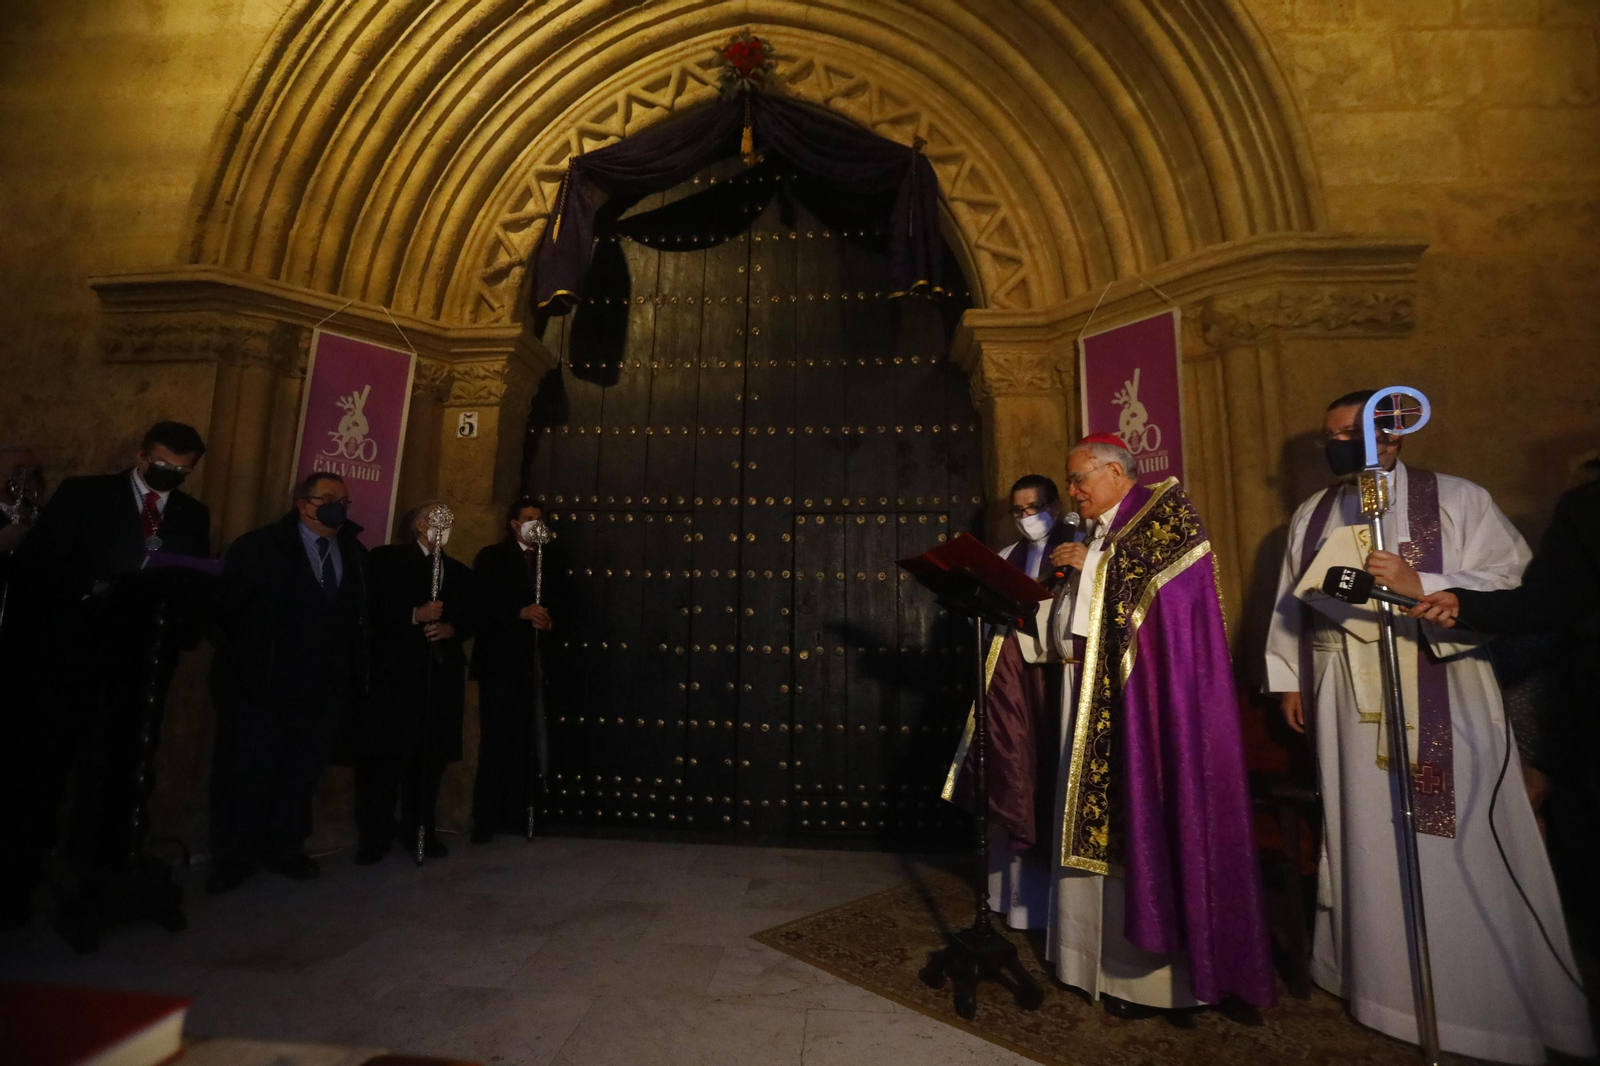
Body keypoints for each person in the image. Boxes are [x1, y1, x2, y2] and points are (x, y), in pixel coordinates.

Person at [1263, 390, 1593, 1062]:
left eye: (1347, 431)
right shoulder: (1314, 511)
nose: (1335, 443)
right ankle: (1374, 981)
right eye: (1328, 433)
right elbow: (1289, 602)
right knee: (1362, 830)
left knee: (1451, 835)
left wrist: (1426, 580)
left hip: (1433, 677)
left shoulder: (1460, 499)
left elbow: (1519, 586)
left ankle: (1475, 1004)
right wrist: (1288, 677)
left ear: (1393, 434)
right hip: (1342, 696)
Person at [951, 434, 1276, 1019]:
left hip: (1140, 705)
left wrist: (1095, 566)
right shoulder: (1091, 532)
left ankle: (1152, 983)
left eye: (1078, 480)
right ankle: (1089, 964)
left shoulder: (1166, 514)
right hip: (1084, 693)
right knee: (1085, 831)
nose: (1072, 493)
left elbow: (1171, 605)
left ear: (1116, 472)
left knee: (1142, 823)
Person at [0, 423, 211, 926]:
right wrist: (95, 586)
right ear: (141, 454)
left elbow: (192, 579)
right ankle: (16, 884)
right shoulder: (86, 494)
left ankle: (103, 869)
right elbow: (37, 568)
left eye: (183, 470)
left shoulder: (190, 512)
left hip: (142, 665)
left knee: (119, 773)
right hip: (70, 659)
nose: (171, 475)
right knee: (42, 774)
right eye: (163, 464)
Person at [207, 472, 369, 892]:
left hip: (324, 688)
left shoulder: (353, 551)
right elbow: (227, 612)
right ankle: (235, 856)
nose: (338, 506)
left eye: (344, 500)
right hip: (266, 683)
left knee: (301, 772)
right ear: (303, 503)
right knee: (248, 771)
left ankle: (286, 847)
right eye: (328, 498)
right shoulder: (260, 547)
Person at [352, 500, 474, 864]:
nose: (442, 526)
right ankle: (376, 835)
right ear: (419, 524)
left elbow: (470, 614)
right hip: (395, 678)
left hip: (438, 678)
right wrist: (413, 614)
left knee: (429, 760)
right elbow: (370, 607)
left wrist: (452, 627)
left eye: (448, 521)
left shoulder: (458, 571)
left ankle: (420, 829)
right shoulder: (387, 559)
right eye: (436, 520)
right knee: (385, 761)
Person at [469, 497, 554, 843]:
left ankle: (522, 813)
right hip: (501, 663)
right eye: (528, 518)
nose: (534, 523)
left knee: (526, 740)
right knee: (496, 739)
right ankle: (486, 818)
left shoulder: (548, 559)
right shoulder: (492, 557)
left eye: (539, 519)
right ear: (514, 523)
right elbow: (481, 605)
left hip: (533, 663)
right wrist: (518, 613)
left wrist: (549, 621)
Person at [998, 474, 1078, 581]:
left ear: (1055, 507)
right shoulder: (1005, 557)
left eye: (1033, 507)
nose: (1024, 517)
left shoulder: (1078, 544)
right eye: (1017, 509)